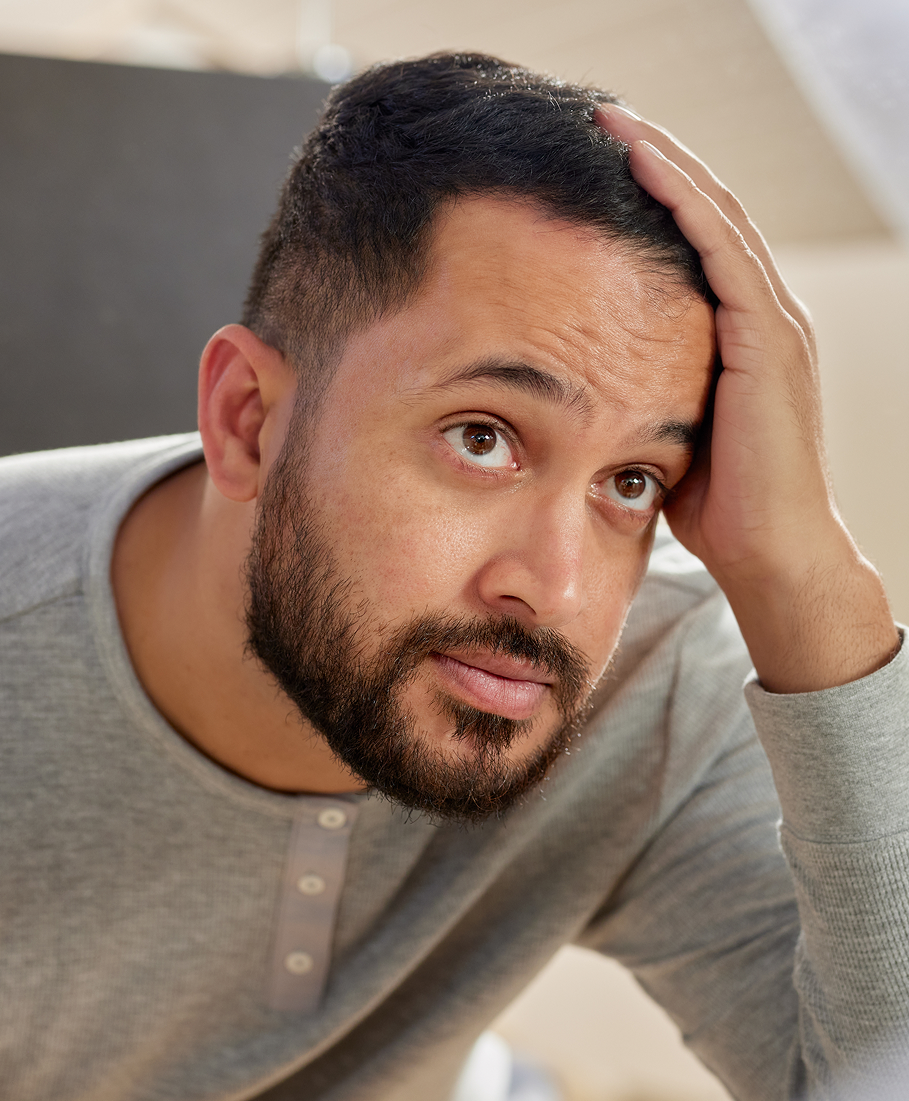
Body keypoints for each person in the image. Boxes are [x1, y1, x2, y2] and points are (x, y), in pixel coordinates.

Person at [1, 51, 907, 1101]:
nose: (558, 588)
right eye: (483, 438)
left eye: (631, 480)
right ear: (248, 420)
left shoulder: (655, 686)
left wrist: (811, 581)